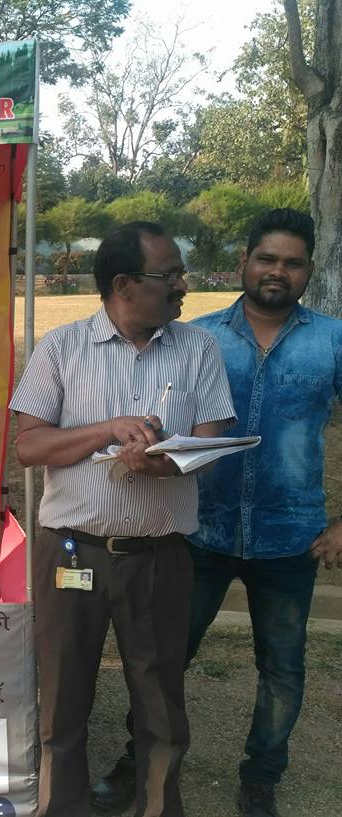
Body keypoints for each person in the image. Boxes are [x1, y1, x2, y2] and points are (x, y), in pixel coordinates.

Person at [91, 209, 342, 817]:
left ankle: (261, 779)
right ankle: (138, 758)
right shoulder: (196, 336)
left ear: (308, 271)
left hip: (290, 536)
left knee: (282, 667)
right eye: (267, 258)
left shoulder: (332, 341)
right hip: (198, 530)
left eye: (293, 262)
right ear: (243, 263)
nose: (278, 271)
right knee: (167, 658)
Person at [10, 221, 236, 817]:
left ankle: (158, 808)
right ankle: (63, 807)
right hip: (71, 552)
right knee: (62, 699)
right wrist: (107, 431)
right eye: (171, 276)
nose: (183, 286)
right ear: (124, 285)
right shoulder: (60, 349)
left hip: (159, 556)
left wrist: (165, 462)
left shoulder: (198, 348)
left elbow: (212, 441)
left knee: (162, 703)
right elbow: (29, 447)